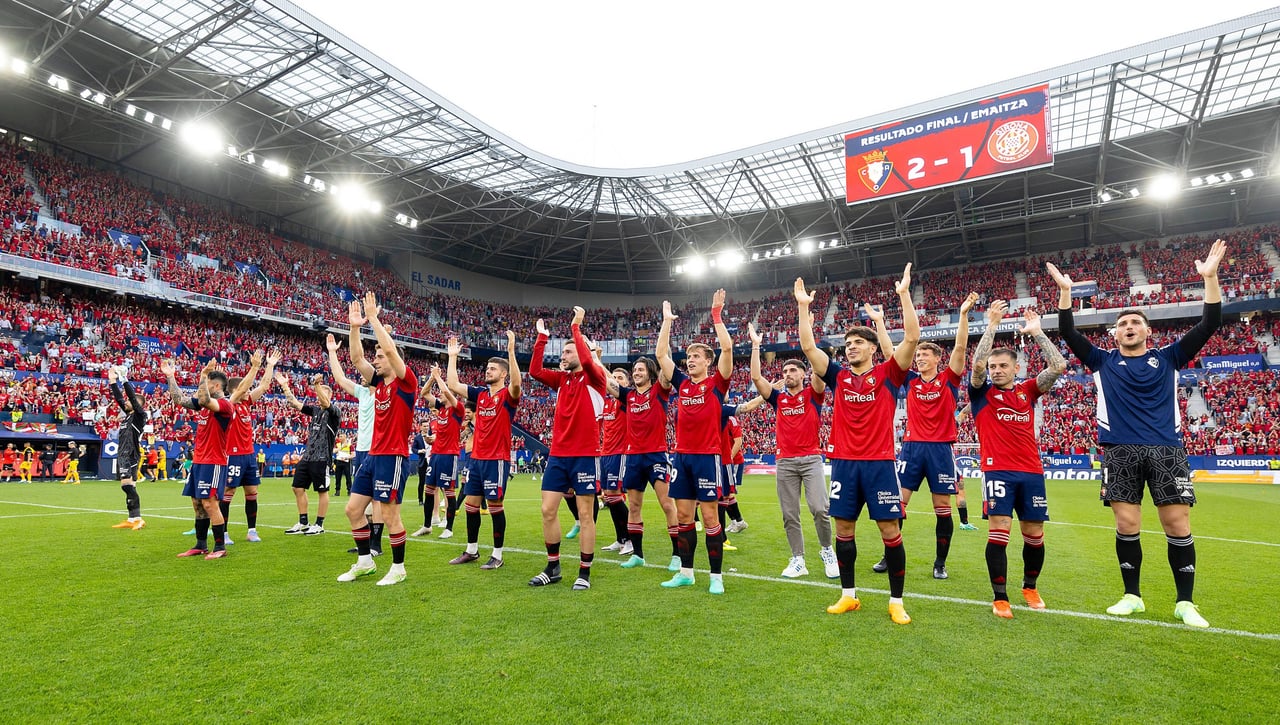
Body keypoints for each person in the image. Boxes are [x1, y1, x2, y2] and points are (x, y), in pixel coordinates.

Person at [1048, 239, 1226, 628]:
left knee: (1177, 524)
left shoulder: (1168, 357)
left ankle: (1185, 603)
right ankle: (1132, 596)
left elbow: (1210, 323)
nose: (1129, 327)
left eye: (1135, 323)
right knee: (1126, 525)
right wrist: (1065, 293)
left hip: (1166, 450)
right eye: (1122, 324)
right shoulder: (1100, 360)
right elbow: (1066, 330)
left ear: (1148, 330)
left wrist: (1209, 279)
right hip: (1119, 451)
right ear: (1114, 334)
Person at [797, 267, 919, 625]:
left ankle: (896, 602)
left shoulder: (888, 374)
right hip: (845, 465)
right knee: (844, 531)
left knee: (889, 533)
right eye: (848, 343)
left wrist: (904, 295)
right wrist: (804, 307)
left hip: (880, 464)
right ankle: (848, 596)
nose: (851, 347)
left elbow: (911, 337)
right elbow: (808, 346)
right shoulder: (838, 376)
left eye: (857, 343)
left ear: (871, 348)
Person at [866, 293, 978, 580]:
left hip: (940, 450)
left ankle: (940, 563)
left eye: (924, 355)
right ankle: (889, 556)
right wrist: (879, 323)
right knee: (896, 505)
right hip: (912, 449)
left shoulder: (948, 379)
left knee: (942, 510)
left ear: (938, 359)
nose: (919, 359)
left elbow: (962, 347)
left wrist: (963, 314)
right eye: (918, 356)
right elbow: (892, 353)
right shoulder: (911, 380)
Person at [968, 302, 1067, 618]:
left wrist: (1037, 332)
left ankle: (1030, 586)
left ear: (1016, 369)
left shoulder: (1027, 391)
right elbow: (977, 366)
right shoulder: (981, 393)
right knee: (999, 531)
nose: (996, 370)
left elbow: (1058, 366)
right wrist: (992, 326)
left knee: (1034, 534)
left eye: (1002, 366)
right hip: (997, 471)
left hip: (1031, 472)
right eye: (993, 366)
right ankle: (1000, 597)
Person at [655, 291, 734, 594]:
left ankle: (716, 577)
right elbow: (661, 355)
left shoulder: (717, 384)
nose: (690, 361)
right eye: (688, 357)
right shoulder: (682, 384)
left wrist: (716, 315)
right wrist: (666, 322)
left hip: (707, 457)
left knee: (711, 516)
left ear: (708, 362)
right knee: (685, 516)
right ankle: (687, 572)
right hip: (682, 457)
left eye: (696, 357)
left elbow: (727, 347)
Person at [338, 292, 417, 586]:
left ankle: (398, 568)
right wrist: (355, 326)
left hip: (394, 456)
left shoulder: (406, 383)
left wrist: (374, 319)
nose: (377, 359)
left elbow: (391, 350)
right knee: (353, 509)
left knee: (390, 514)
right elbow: (356, 358)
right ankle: (364, 562)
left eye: (381, 357)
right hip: (373, 455)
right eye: (377, 357)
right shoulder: (378, 385)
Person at [747, 324, 836, 579]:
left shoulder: (813, 394)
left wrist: (812, 348)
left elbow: (821, 368)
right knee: (789, 514)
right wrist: (755, 345)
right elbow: (756, 378)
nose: (788, 374)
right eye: (785, 370)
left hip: (810, 460)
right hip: (784, 461)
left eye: (793, 370)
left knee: (820, 508)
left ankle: (827, 550)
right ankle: (798, 559)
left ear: (803, 374)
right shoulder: (778, 399)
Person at [528, 307, 608, 589]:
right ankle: (553, 567)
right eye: (562, 353)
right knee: (548, 509)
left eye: (568, 352)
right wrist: (542, 338)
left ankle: (584, 572)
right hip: (558, 455)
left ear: (582, 353)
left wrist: (577, 327)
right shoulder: (561, 380)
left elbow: (588, 360)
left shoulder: (595, 377)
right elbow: (535, 370)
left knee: (586, 515)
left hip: (585, 455)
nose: (563, 356)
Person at [446, 329, 521, 570]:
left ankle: (497, 554)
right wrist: (452, 356)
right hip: (476, 460)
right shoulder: (480, 395)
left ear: (503, 374)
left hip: (496, 460)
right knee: (470, 506)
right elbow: (453, 384)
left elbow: (517, 384)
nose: (487, 371)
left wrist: (510, 352)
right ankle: (472, 550)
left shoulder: (508, 396)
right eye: (486, 368)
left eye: (492, 369)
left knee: (496, 507)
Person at [165, 357, 235, 559]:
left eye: (205, 383)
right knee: (197, 503)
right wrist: (171, 377)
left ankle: (220, 547)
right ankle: (200, 545)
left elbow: (204, 399)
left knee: (210, 503)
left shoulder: (225, 405)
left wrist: (203, 375)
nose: (200, 387)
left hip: (214, 462)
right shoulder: (204, 406)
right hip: (199, 461)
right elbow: (179, 399)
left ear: (215, 385)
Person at [325, 323, 384, 555]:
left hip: (377, 450)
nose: (362, 374)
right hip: (361, 450)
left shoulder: (382, 391)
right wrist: (332, 352)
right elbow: (340, 378)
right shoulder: (361, 393)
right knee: (364, 498)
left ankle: (376, 544)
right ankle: (368, 542)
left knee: (377, 499)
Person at [222, 349, 280, 543]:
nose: (249, 391)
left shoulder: (246, 403)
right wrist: (254, 367)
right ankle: (223, 532)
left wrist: (270, 365)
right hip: (232, 454)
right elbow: (242, 389)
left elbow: (263, 386)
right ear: (235, 390)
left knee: (252, 493)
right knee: (228, 492)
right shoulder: (229, 403)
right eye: (246, 389)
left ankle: (252, 530)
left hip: (249, 455)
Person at [276, 371, 340, 537]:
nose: (319, 397)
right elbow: (295, 403)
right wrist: (284, 386)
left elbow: (326, 402)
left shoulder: (334, 412)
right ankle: (303, 522)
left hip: (322, 458)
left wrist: (317, 385)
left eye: (322, 393)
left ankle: (319, 524)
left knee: (322, 491)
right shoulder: (315, 411)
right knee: (297, 488)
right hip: (308, 456)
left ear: (329, 395)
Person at [416, 365, 465, 538]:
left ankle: (449, 529)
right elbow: (424, 393)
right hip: (435, 454)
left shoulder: (457, 409)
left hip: (449, 455)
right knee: (429, 490)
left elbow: (445, 390)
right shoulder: (441, 409)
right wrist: (431, 377)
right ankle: (427, 525)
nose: (440, 394)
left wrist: (438, 377)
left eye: (443, 393)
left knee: (448, 491)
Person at [108, 365, 148, 530]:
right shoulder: (127, 417)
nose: (127, 402)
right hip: (123, 454)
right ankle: (132, 519)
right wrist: (112, 381)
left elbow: (131, 399)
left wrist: (124, 380)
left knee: (127, 485)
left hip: (131, 454)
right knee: (128, 485)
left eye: (132, 401)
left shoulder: (140, 416)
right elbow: (120, 400)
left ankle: (138, 518)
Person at [598, 366, 632, 556]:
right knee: (610, 498)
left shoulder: (625, 400)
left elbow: (611, 382)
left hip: (621, 453)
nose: (616, 380)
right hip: (606, 453)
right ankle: (620, 539)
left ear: (626, 384)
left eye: (620, 378)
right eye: (615, 377)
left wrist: (598, 361)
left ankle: (629, 539)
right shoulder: (606, 403)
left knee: (615, 496)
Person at [411, 419, 436, 534]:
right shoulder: (417, 438)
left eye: (427, 425)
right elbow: (413, 449)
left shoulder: (432, 436)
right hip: (422, 462)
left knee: (431, 484)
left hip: (432, 461)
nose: (426, 427)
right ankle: (421, 499)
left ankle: (431, 502)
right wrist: (419, 451)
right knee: (422, 482)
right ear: (420, 427)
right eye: (424, 426)